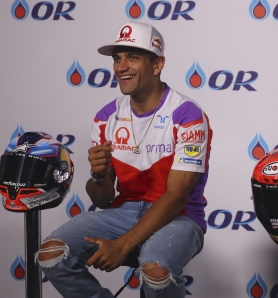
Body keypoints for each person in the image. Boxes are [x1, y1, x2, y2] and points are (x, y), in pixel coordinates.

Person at [36, 21, 212, 298]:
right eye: (117, 59)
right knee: (51, 254)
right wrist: (98, 174)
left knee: (156, 273)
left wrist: (123, 245)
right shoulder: (106, 116)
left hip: (180, 217)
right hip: (123, 211)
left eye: (132, 57)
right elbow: (102, 200)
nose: (120, 67)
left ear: (157, 65)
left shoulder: (187, 115)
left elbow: (177, 196)